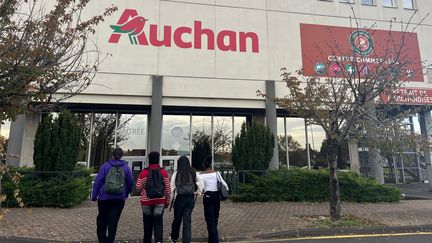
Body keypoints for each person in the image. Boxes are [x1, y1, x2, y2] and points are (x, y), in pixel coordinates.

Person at [91, 147, 134, 243]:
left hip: (104, 198)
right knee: (113, 221)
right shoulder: (126, 167)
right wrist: (126, 194)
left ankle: (102, 240)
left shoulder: (105, 166)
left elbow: (98, 181)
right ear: (122, 156)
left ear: (112, 156)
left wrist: (94, 196)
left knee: (102, 220)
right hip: (119, 199)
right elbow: (131, 182)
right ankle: (110, 240)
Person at [136, 151, 171, 243]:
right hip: (160, 201)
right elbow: (168, 189)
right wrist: (166, 201)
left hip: (146, 201)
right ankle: (158, 241)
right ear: (158, 159)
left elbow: (138, 187)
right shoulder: (163, 172)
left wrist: (143, 192)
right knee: (158, 223)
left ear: (149, 160)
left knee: (147, 223)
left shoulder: (144, 172)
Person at [169, 156, 204, 243]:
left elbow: (172, 188)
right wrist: (198, 192)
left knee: (177, 219)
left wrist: (171, 201)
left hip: (179, 199)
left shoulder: (176, 173)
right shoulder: (193, 172)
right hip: (190, 199)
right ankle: (186, 241)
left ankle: (174, 237)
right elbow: (201, 181)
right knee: (187, 221)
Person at [199, 156, 228, 243]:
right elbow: (225, 185)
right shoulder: (216, 173)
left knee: (209, 220)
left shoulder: (201, 175)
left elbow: (200, 188)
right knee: (215, 219)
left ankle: (214, 240)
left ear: (204, 165)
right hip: (216, 197)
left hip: (207, 197)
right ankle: (211, 239)